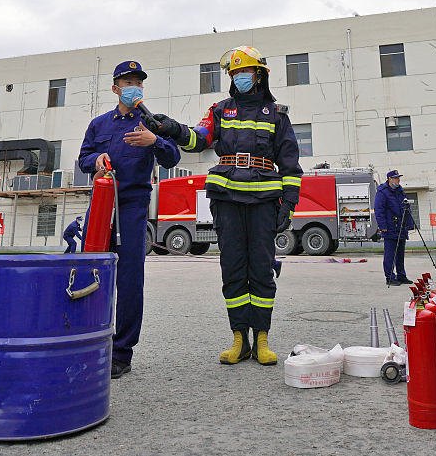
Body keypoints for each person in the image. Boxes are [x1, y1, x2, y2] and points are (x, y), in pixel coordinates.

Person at [146, 46, 301, 367]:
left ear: (259, 75)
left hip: (263, 198)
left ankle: (261, 338)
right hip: (227, 196)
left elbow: (290, 164)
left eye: (245, 72)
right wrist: (174, 129)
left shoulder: (277, 115)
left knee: (261, 267)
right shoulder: (219, 111)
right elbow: (199, 138)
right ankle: (239, 338)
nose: (240, 78)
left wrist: (289, 202)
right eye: (235, 74)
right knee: (232, 266)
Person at [78, 60, 181, 379]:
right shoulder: (99, 125)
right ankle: (87, 340)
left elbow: (172, 156)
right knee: (90, 271)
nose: (133, 86)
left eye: (138, 82)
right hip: (101, 204)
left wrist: (156, 141)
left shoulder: (150, 122)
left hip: (134, 206)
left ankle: (121, 352)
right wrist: (97, 159)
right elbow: (82, 159)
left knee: (130, 279)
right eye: (127, 81)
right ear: (115, 88)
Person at [375, 170, 414, 286]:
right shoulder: (383, 192)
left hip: (401, 227)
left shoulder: (400, 191)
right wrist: (382, 227)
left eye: (398, 178)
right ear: (390, 179)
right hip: (390, 227)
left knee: (400, 254)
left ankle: (401, 276)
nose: (398, 180)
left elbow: (406, 208)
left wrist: (409, 224)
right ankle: (390, 277)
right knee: (390, 254)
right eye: (396, 178)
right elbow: (379, 210)